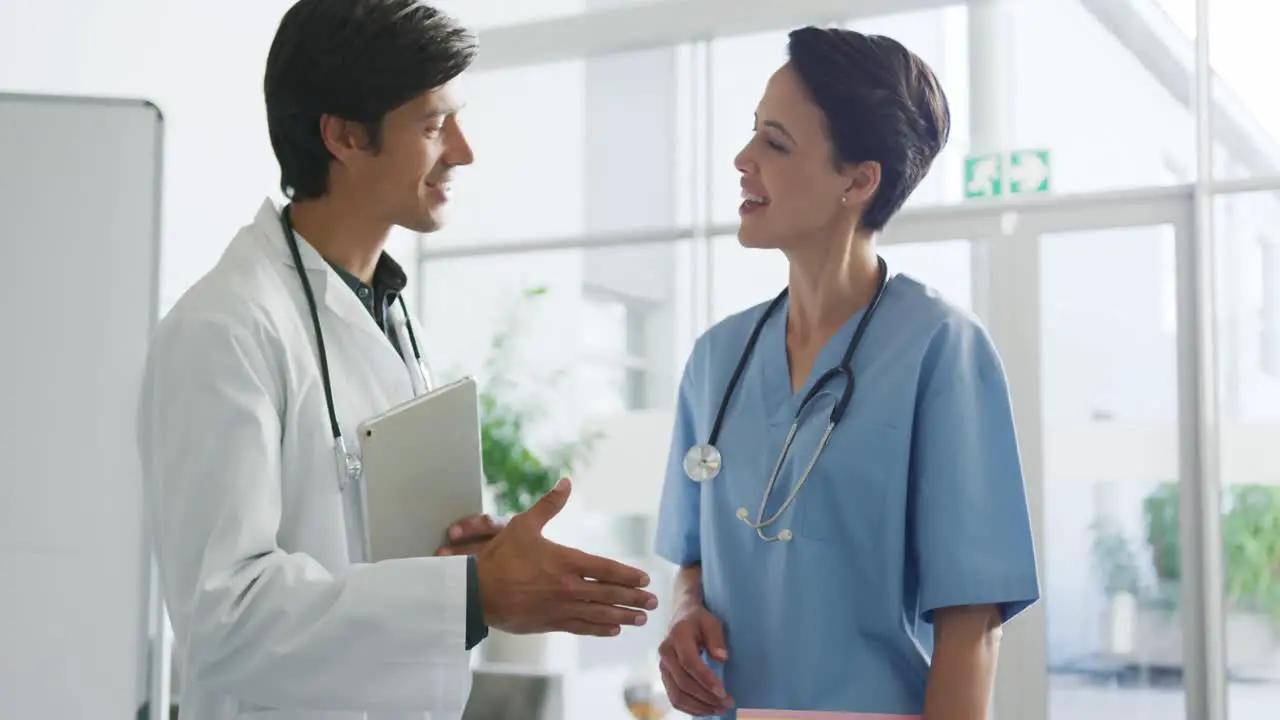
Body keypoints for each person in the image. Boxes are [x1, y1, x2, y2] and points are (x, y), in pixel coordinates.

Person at [135, 2, 657, 719]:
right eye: (436, 125)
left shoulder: (386, 312)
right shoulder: (225, 328)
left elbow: (374, 559)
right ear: (345, 135)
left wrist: (475, 560)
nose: (464, 152)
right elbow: (224, 619)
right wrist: (473, 597)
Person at [653, 27, 1041, 719]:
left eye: (775, 143)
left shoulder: (939, 350)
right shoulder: (717, 357)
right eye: (752, 135)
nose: (743, 160)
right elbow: (693, 555)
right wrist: (686, 618)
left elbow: (971, 627)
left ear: (859, 180)